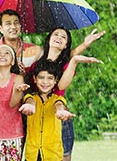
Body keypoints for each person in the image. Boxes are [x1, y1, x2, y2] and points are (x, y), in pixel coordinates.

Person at [25, 27, 103, 161]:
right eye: (56, 34)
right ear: (49, 39)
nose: (59, 38)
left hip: (59, 116)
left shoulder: (66, 65)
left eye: (63, 37)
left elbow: (60, 86)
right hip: (36, 118)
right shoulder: (36, 63)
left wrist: (82, 48)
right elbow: (28, 88)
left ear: (66, 44)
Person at [19, 59, 76, 161]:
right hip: (33, 154)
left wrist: (60, 111)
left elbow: (59, 105)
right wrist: (30, 106)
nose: (45, 82)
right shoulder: (31, 97)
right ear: (35, 79)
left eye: (50, 78)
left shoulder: (57, 99)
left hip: (52, 154)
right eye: (41, 77)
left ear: (55, 81)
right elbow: (30, 101)